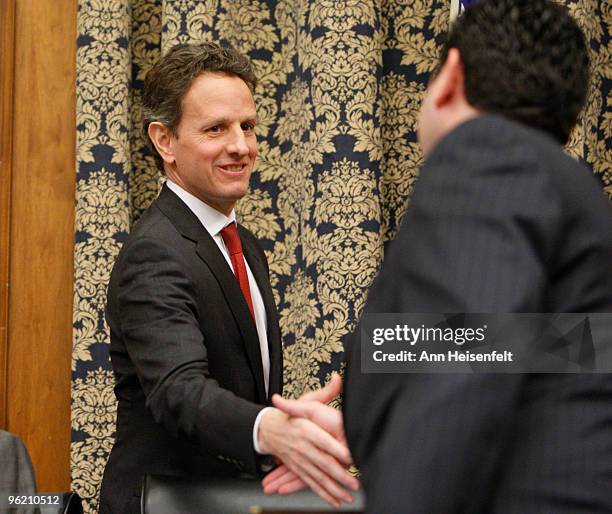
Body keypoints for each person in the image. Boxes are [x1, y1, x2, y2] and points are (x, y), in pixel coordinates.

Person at [340, 0, 612, 512]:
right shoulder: (573, 191)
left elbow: (466, 364)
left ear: (450, 75)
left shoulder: (484, 156)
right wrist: (382, 378)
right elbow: (554, 347)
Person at [99, 42, 358, 514]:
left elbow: (234, 391)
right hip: (167, 505)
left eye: (248, 126)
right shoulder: (155, 252)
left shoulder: (245, 246)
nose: (241, 146)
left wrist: (288, 428)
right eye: (216, 128)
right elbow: (180, 390)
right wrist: (270, 431)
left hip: (236, 501)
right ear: (165, 141)